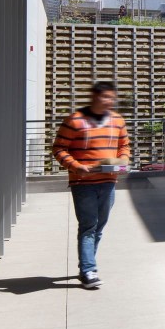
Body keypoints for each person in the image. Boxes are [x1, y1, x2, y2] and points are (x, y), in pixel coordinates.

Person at [51, 81, 131, 290]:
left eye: (112, 97)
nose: (109, 101)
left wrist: (122, 160)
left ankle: (87, 267)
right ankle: (88, 270)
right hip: (83, 182)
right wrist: (76, 166)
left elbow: (124, 145)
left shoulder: (117, 120)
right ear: (94, 96)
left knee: (99, 226)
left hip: (109, 181)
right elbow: (59, 148)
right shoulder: (75, 120)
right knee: (88, 226)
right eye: (105, 97)